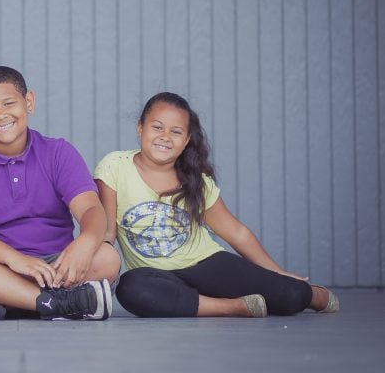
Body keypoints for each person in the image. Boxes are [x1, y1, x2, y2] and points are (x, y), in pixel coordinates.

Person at [94, 91, 340, 318]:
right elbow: (107, 232)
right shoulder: (115, 166)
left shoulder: (195, 180)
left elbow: (236, 233)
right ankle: (233, 307)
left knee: (290, 296)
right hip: (157, 276)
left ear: (187, 139)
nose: (165, 137)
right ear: (140, 127)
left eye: (176, 132)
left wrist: (276, 273)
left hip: (207, 265)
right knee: (131, 289)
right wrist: (96, 266)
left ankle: (312, 293)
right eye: (157, 127)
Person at [0, 66, 120, 320]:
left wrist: (84, 243)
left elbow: (92, 210)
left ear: (29, 102)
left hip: (55, 266)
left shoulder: (58, 152)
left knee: (107, 258)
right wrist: (13, 259)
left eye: (9, 103)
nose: (0, 115)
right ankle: (54, 304)